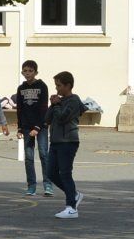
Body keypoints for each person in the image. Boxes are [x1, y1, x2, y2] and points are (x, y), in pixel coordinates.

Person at [45, 71, 84, 218]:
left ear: (68, 85)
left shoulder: (73, 101)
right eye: (56, 86)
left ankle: (71, 207)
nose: (57, 89)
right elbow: (47, 119)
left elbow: (62, 118)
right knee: (51, 173)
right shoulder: (59, 101)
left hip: (68, 141)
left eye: (59, 86)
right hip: (55, 141)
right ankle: (73, 193)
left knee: (65, 173)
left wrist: (56, 105)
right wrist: (52, 105)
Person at [14, 61, 51, 197]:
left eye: (30, 71)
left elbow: (43, 108)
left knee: (43, 154)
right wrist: (19, 127)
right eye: (25, 71)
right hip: (26, 127)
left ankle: (48, 184)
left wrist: (37, 127)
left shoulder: (42, 86)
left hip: (40, 126)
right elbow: (20, 109)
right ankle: (31, 186)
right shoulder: (21, 88)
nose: (27, 73)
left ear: (36, 72)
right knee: (29, 157)